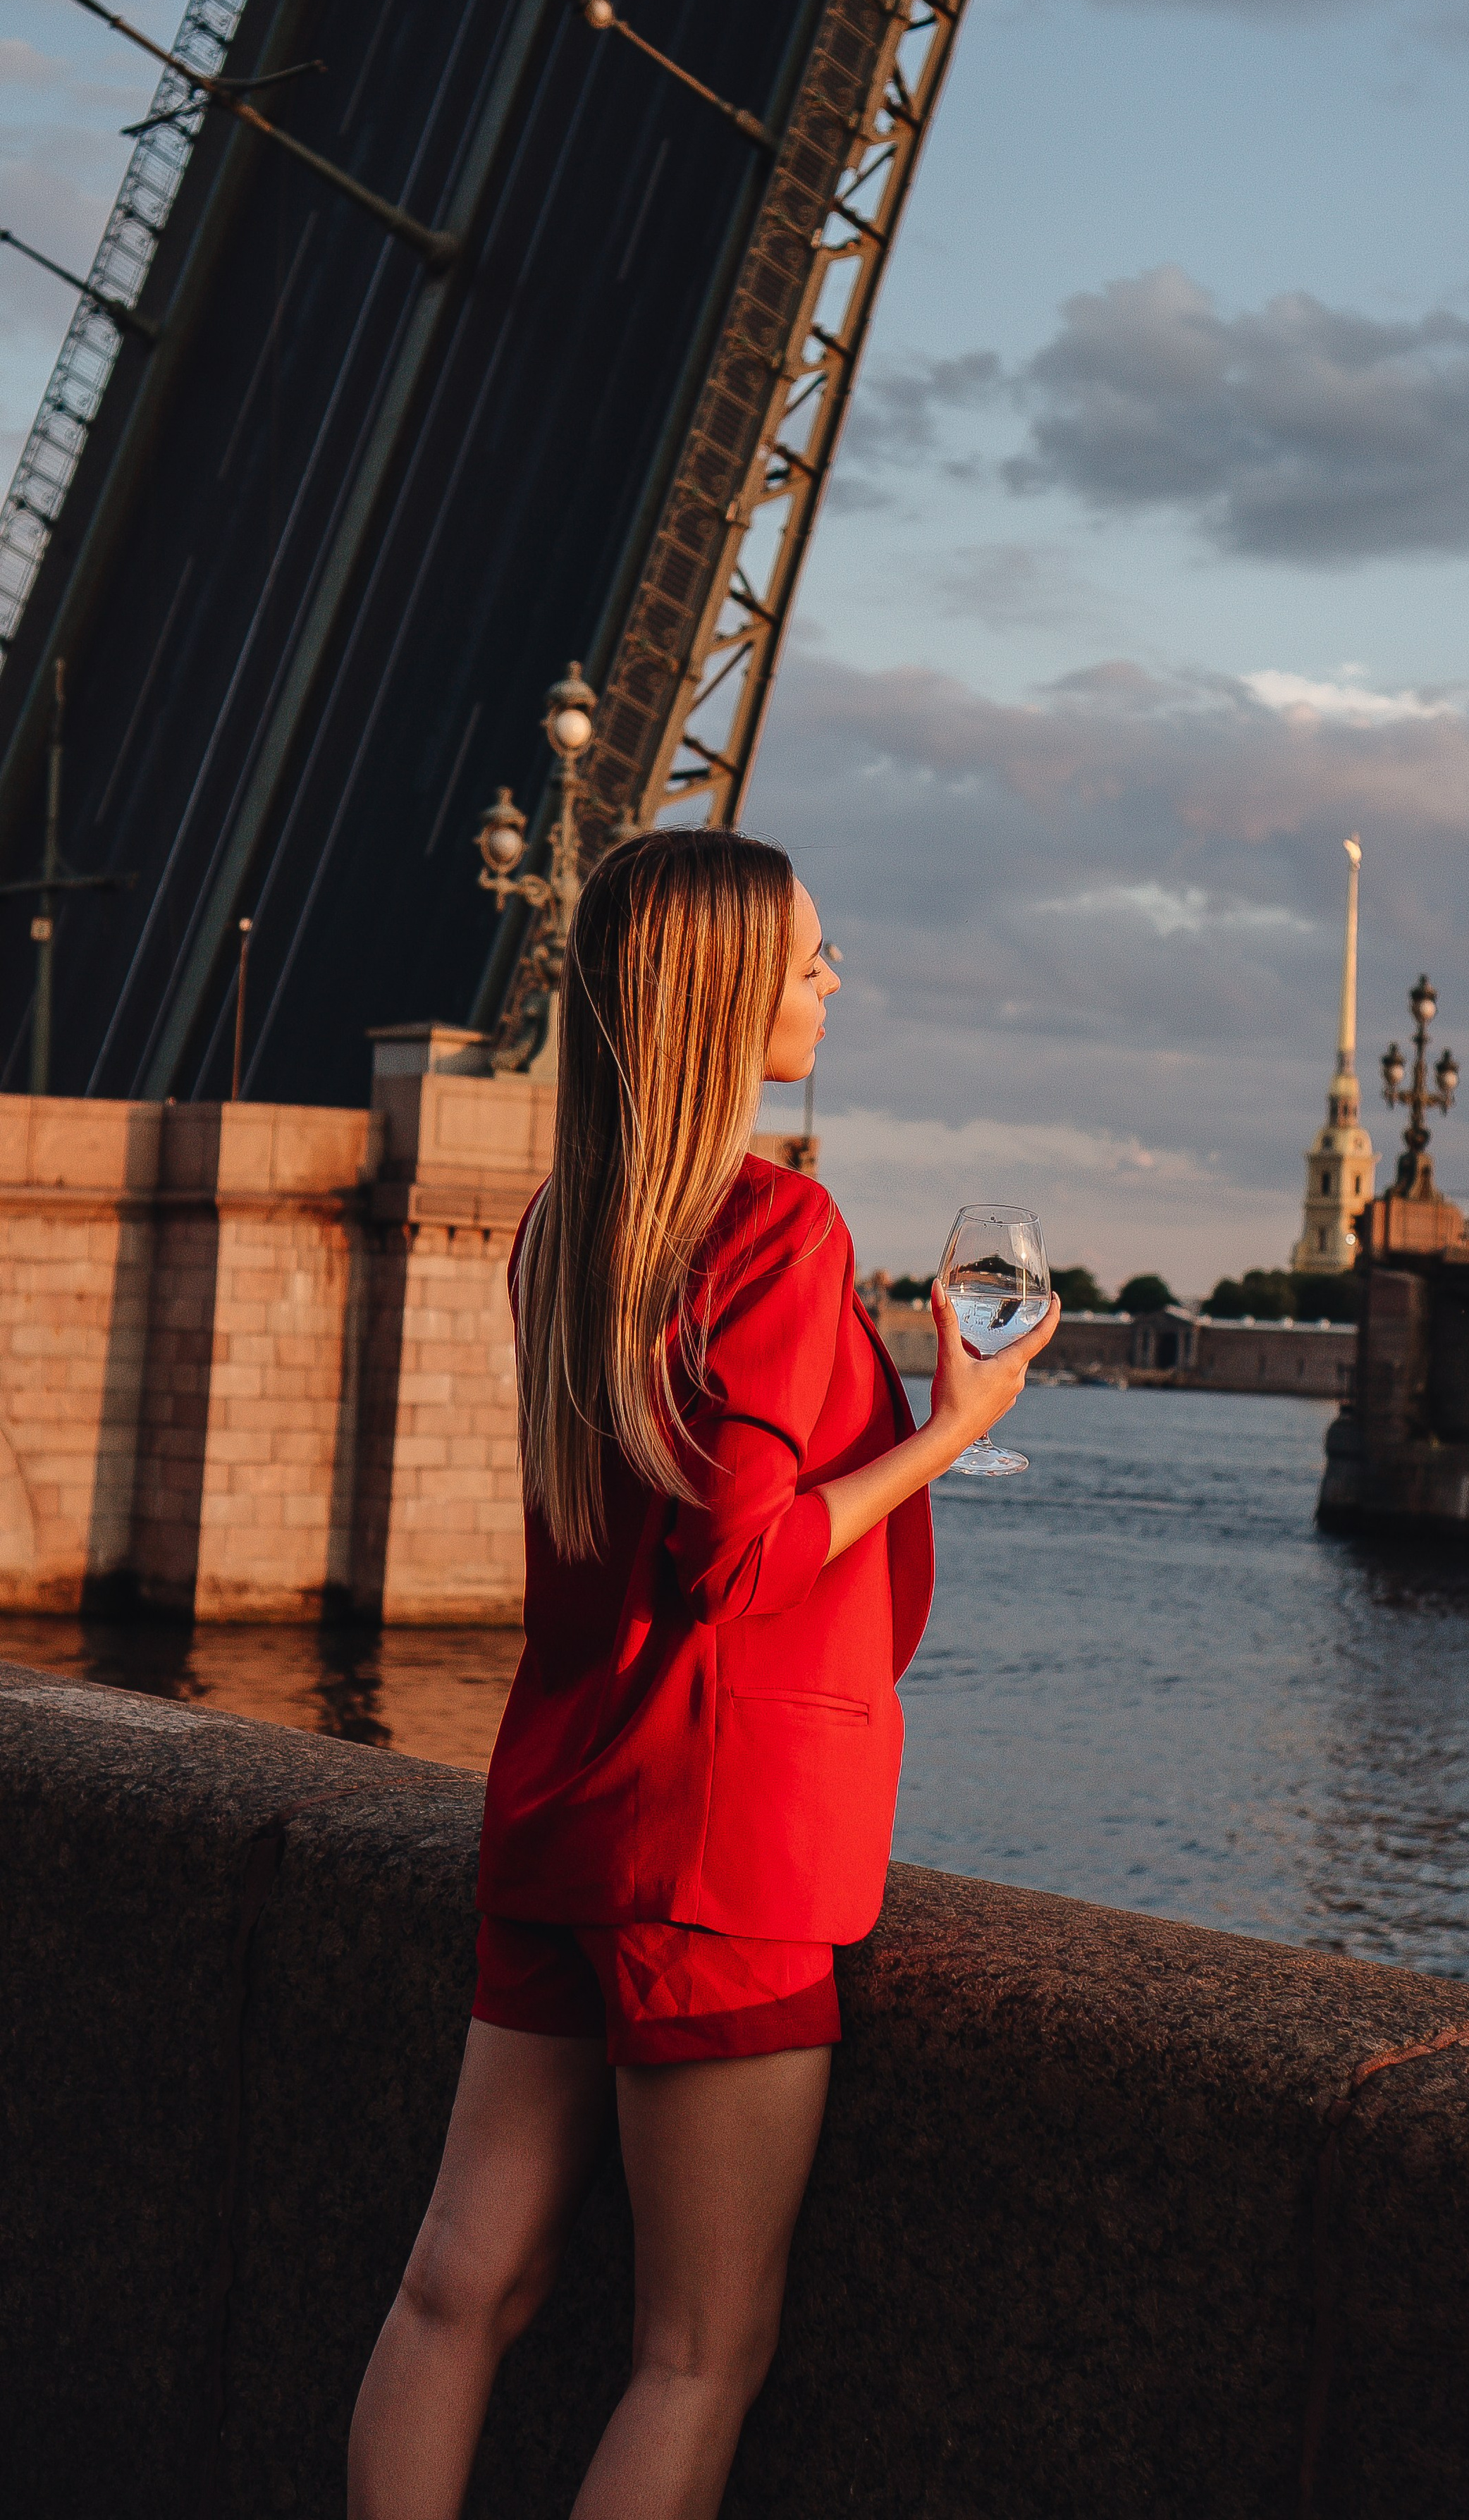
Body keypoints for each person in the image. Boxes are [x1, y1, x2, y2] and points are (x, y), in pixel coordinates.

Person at [348, 828, 1058, 2520]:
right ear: (726, 991)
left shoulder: (562, 1228)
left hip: (561, 1804)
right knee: (695, 2354)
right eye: (810, 960)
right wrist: (949, 1432)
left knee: (457, 2289)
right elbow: (735, 1563)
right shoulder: (778, 1229)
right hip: (725, 1853)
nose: (833, 982)